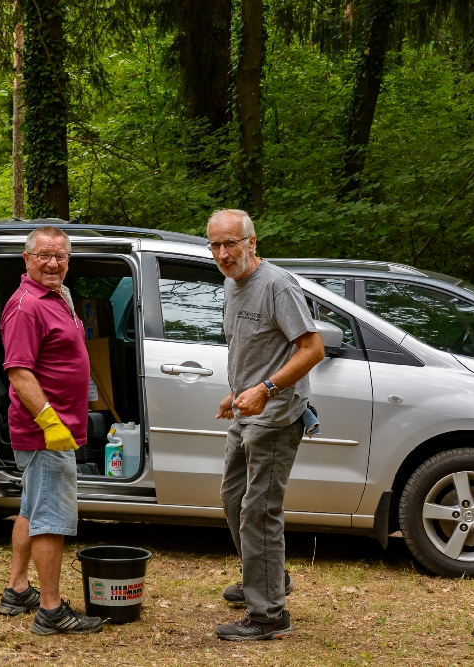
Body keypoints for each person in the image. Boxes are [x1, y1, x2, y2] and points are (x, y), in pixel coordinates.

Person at [209, 209, 325, 641]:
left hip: (275, 416)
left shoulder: (277, 285)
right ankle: (266, 578)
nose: (223, 254)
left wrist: (266, 389)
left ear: (251, 242)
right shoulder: (231, 283)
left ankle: (269, 615)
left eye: (231, 243)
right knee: (233, 499)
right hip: (246, 412)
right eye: (215, 245)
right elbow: (251, 346)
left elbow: (312, 349)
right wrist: (237, 391)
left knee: (259, 511)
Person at [0, 226, 103, 636]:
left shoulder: (57, 295)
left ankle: (17, 589)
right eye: (43, 255)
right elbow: (19, 372)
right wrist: (49, 422)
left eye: (60, 256)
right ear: (27, 259)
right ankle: (51, 610)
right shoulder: (26, 306)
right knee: (51, 518)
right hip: (45, 431)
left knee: (32, 506)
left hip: (56, 427)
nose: (53, 263)